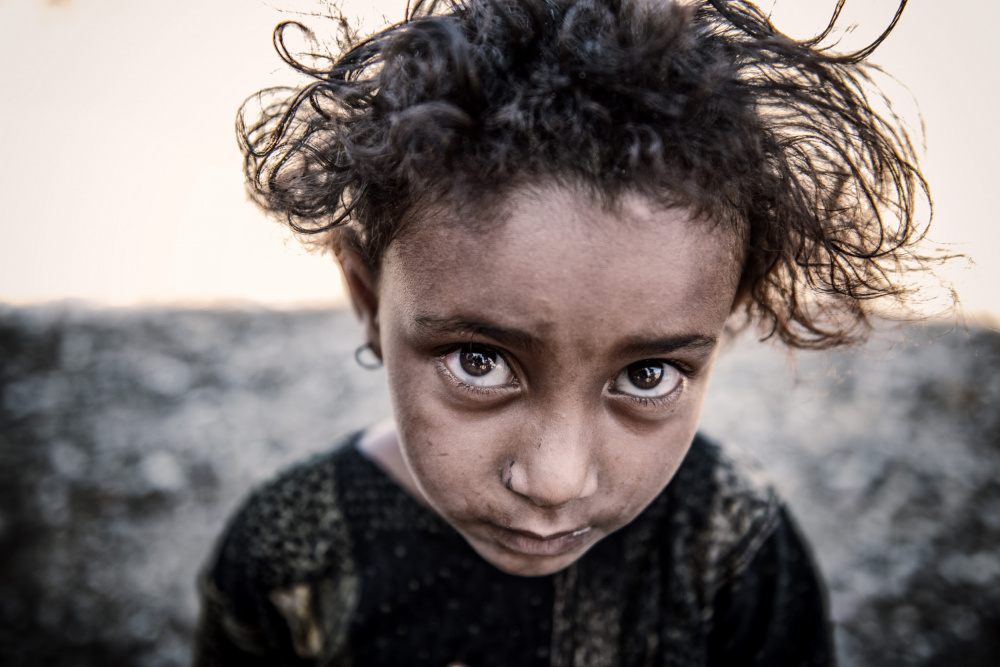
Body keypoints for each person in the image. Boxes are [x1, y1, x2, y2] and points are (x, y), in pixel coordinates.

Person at [193, 0, 932, 664]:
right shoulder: (286, 555)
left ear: (723, 321)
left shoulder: (731, 545)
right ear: (367, 299)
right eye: (479, 361)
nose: (554, 481)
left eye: (648, 374)